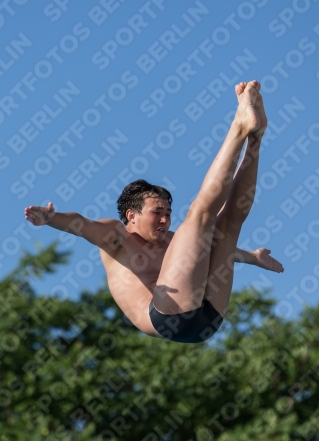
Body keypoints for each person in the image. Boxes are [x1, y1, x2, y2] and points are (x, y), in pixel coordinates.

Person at [24, 80, 283, 344]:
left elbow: (222, 250)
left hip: (209, 317)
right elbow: (81, 224)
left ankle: (255, 138)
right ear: (131, 216)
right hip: (166, 318)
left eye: (168, 213)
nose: (165, 219)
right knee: (199, 217)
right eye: (157, 212)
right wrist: (50, 219)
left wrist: (253, 257)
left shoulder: (170, 240)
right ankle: (239, 128)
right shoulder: (115, 238)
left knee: (227, 226)